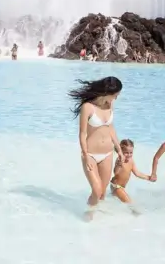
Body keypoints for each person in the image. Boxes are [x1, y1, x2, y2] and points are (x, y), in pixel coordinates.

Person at [68, 76, 125, 221]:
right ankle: (88, 216)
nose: (116, 98)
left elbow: (110, 128)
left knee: (102, 192)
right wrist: (85, 154)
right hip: (91, 155)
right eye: (115, 95)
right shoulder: (87, 107)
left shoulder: (109, 105)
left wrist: (119, 149)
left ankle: (99, 220)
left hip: (107, 153)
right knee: (97, 189)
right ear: (107, 92)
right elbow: (82, 133)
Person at [109, 139, 153, 210]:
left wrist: (148, 177)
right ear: (121, 152)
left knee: (116, 203)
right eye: (126, 152)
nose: (129, 155)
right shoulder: (119, 160)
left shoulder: (131, 161)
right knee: (131, 204)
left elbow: (137, 173)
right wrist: (119, 165)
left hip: (120, 187)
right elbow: (115, 172)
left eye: (131, 152)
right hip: (116, 187)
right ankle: (137, 217)